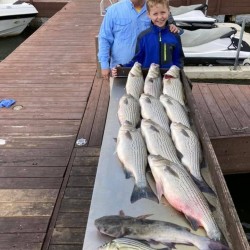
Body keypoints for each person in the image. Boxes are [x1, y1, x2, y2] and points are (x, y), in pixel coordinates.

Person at [98, 0, 179, 79]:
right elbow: (104, 38)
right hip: (120, 70)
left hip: (148, 72)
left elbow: (166, 23)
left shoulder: (153, 7)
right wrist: (104, 64)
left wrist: (171, 26)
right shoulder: (113, 10)